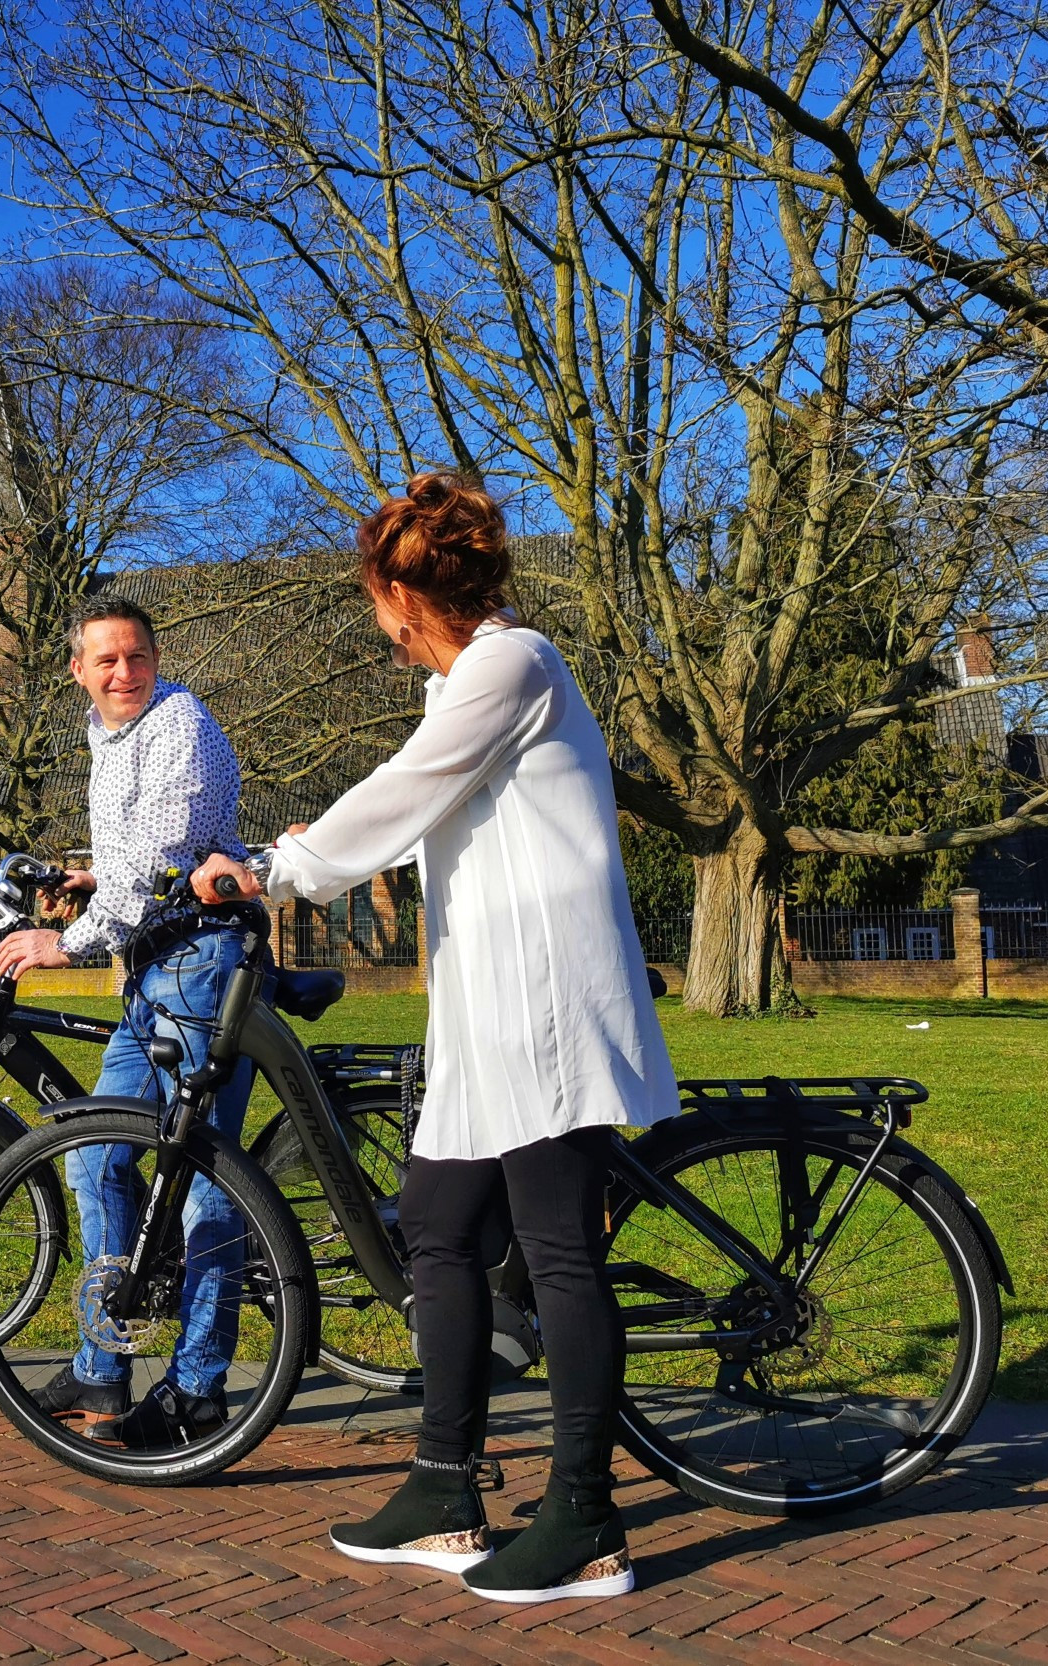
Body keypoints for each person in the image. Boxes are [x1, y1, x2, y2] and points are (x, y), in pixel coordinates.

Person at [193, 473, 677, 1603]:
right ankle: (444, 1485)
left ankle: (585, 1520)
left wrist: (277, 866)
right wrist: (323, 840)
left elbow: (407, 790)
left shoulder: (510, 663)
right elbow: (427, 805)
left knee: (558, 1253)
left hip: (544, 1006)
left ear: (403, 594)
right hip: (484, 1011)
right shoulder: (469, 684)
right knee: (441, 1233)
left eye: (375, 598)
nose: (376, 622)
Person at [0, 594, 260, 1449]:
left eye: (136, 656)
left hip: (199, 966)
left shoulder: (176, 720)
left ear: (155, 658)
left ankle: (197, 1388)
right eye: (104, 660)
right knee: (96, 1156)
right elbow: (136, 861)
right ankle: (102, 1369)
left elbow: (160, 856)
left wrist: (66, 941)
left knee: (203, 1184)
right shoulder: (104, 738)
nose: (123, 672)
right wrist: (92, 884)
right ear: (78, 671)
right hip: (151, 971)